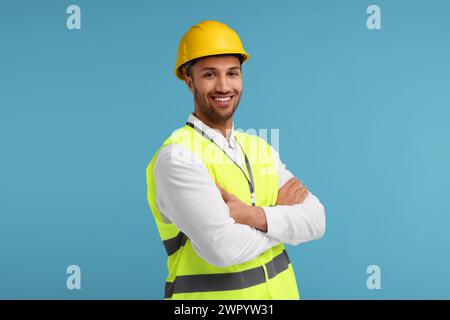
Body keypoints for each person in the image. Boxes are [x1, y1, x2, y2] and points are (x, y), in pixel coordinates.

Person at [146, 20, 326, 300]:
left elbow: (316, 220)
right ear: (188, 79)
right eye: (209, 75)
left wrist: (253, 215)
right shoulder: (178, 157)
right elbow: (223, 249)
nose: (224, 85)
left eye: (233, 73)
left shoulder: (259, 148)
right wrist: (284, 220)